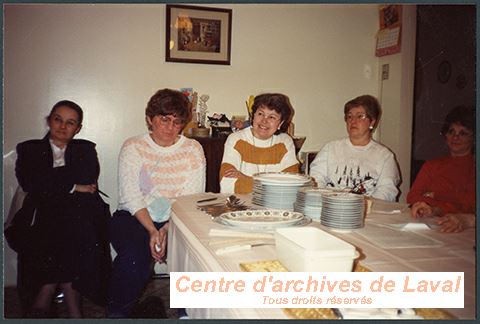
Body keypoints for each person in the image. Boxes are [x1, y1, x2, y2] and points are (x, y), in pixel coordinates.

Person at [107, 89, 206, 317]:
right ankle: (117, 314)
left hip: (177, 217)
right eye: (164, 119)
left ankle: (187, 313)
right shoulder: (133, 146)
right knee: (134, 256)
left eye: (177, 122)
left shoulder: (193, 149)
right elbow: (130, 196)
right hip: (135, 216)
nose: (170, 128)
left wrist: (167, 229)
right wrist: (153, 230)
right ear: (150, 119)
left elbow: (189, 199)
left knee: (195, 253)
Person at [8, 100, 111, 317]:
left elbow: (86, 178)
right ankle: (73, 310)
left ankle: (45, 294)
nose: (63, 127)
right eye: (58, 120)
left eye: (70, 123)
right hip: (40, 215)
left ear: (78, 128)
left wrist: (54, 182)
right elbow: (30, 182)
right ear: (49, 120)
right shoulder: (30, 149)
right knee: (60, 226)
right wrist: (73, 186)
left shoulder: (85, 149)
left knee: (71, 225)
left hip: (76, 215)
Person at [309, 95, 400, 201]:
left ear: (372, 122)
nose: (353, 121)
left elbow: (387, 191)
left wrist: (361, 207)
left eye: (360, 116)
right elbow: (315, 181)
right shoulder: (330, 148)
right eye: (349, 116)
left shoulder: (385, 156)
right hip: (331, 208)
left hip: (368, 212)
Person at [408, 105, 475, 232]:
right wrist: (437, 207)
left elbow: (469, 206)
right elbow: (412, 196)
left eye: (463, 133)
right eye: (451, 131)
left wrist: (436, 199)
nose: (455, 137)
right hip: (432, 225)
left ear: (473, 138)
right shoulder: (432, 165)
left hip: (464, 231)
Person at [219, 93, 299, 194]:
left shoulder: (285, 142)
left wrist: (245, 179)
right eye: (260, 114)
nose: (264, 121)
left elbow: (291, 186)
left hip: (274, 207)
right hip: (240, 206)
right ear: (253, 116)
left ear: (281, 123)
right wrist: (272, 187)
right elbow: (227, 184)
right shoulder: (236, 139)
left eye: (272, 117)